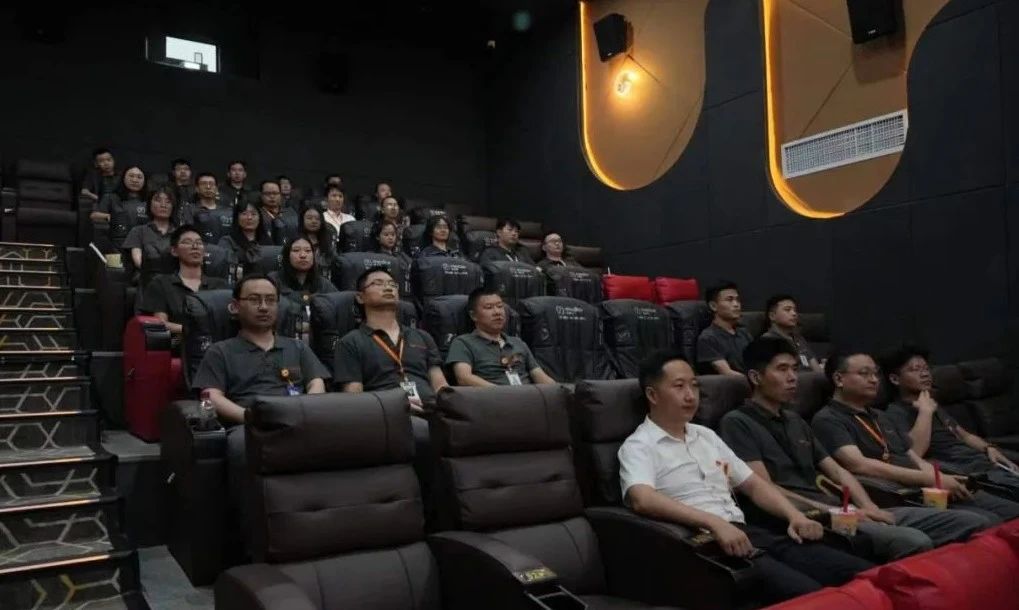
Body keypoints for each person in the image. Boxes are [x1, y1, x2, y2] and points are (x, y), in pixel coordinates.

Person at [620, 350, 872, 604]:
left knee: (858, 572)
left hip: (748, 532)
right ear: (653, 395)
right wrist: (714, 523)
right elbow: (642, 498)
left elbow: (753, 484)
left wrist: (793, 515)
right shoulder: (639, 445)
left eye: (694, 385)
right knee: (812, 595)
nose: (690, 395)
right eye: (679, 386)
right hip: (704, 544)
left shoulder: (706, 436)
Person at [720, 338, 987, 561]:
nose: (793, 377)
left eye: (794, 369)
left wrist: (869, 506)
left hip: (846, 509)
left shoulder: (796, 420)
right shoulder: (737, 422)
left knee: (972, 522)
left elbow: (837, 471)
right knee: (913, 541)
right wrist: (833, 511)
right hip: (813, 517)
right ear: (756, 377)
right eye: (782, 369)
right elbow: (764, 487)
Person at [191, 273, 331, 548]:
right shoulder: (221, 351)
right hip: (249, 425)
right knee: (243, 447)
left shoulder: (296, 347)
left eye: (270, 300)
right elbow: (211, 396)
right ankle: (255, 536)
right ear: (235, 307)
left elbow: (316, 383)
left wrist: (307, 410)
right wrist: (248, 417)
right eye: (255, 300)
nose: (264, 307)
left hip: (299, 420)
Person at [811, 350, 1019, 523]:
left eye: (875, 374)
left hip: (927, 488)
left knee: (1008, 511)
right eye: (865, 374)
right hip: (899, 494)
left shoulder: (880, 416)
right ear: (839, 379)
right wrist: (930, 479)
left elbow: (913, 457)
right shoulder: (828, 419)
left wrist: (942, 479)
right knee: (983, 521)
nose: (874, 380)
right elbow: (860, 465)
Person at [881, 345, 1019, 496]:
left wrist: (989, 448)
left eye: (926, 369)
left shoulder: (933, 404)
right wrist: (925, 413)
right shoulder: (895, 413)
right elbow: (914, 454)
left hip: (983, 462)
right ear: (895, 379)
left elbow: (964, 435)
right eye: (915, 370)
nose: (925, 374)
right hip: (966, 472)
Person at [333, 267, 447, 410]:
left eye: (392, 284)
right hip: (386, 416)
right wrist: (396, 408)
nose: (388, 288)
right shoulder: (350, 342)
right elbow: (355, 400)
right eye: (378, 283)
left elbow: (440, 386)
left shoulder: (422, 336)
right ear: (360, 297)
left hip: (433, 412)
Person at [447, 288, 557, 386]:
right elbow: (464, 378)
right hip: (492, 398)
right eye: (489, 307)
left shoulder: (518, 343)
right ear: (473, 315)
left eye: (500, 306)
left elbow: (539, 375)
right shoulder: (463, 343)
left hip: (529, 396)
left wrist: (559, 392)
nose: (497, 312)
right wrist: (504, 394)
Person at [139, 225, 229, 339]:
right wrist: (193, 331)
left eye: (199, 243)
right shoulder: (161, 283)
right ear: (174, 251)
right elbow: (160, 324)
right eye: (187, 242)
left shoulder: (221, 285)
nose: (195, 247)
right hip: (177, 344)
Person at [696, 281, 754, 377]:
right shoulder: (708, 338)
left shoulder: (743, 332)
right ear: (713, 306)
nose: (736, 304)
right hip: (736, 383)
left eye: (737, 300)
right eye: (729, 300)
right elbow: (727, 373)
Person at [122, 188, 177, 285]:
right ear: (149, 205)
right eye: (158, 200)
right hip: (147, 280)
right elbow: (138, 261)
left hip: (175, 280)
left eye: (168, 202)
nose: (163, 205)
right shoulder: (138, 231)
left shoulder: (180, 233)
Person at [268, 236, 338, 308]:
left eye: (308, 251)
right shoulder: (272, 281)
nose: (303, 255)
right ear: (287, 256)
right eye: (296, 250)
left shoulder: (323, 284)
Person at [761, 295, 822, 374]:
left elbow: (816, 368)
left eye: (795, 310)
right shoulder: (767, 341)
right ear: (772, 316)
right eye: (787, 310)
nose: (794, 313)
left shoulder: (798, 338)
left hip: (811, 378)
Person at [93, 166, 149, 248]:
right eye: (131, 176)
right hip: (117, 243)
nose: (135, 180)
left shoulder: (149, 201)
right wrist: (112, 217)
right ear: (123, 178)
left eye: (139, 177)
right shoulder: (110, 197)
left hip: (142, 243)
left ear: (144, 181)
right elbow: (94, 216)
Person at [218, 201, 274, 276]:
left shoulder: (267, 241)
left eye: (253, 214)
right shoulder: (227, 241)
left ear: (260, 218)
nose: (249, 217)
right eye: (244, 214)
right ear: (237, 218)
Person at [182, 172, 232, 244]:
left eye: (211, 184)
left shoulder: (228, 211)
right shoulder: (190, 210)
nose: (208, 187)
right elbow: (187, 233)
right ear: (197, 188)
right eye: (203, 184)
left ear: (216, 188)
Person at [299, 205, 338, 273]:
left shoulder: (329, 243)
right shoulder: (295, 242)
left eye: (317, 218)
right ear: (302, 220)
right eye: (309, 218)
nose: (314, 221)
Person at [259, 179, 297, 246]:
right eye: (268, 194)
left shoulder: (291, 213)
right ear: (261, 195)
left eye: (275, 193)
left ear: (281, 195)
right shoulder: (257, 215)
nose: (272, 196)